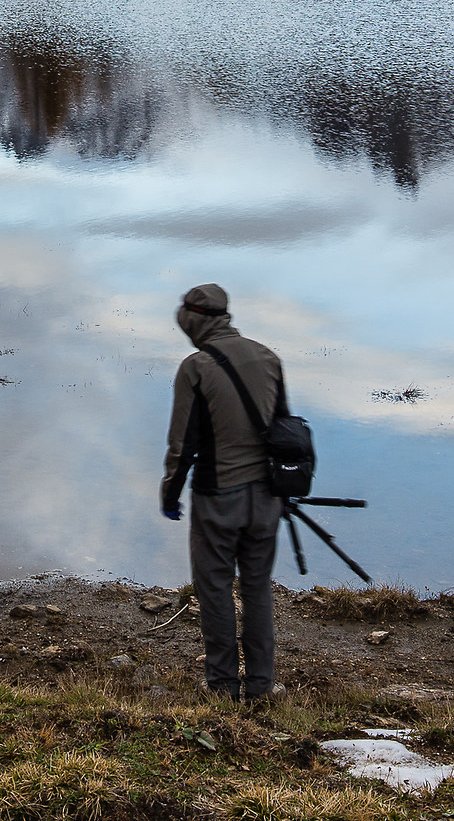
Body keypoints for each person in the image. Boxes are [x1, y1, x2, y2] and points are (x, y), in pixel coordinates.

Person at [160, 283, 286, 701]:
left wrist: (170, 494)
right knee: (257, 587)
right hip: (267, 497)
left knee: (214, 588)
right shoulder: (268, 357)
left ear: (193, 320)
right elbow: (284, 431)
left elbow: (183, 444)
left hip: (219, 496)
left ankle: (222, 686)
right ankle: (262, 687)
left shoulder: (196, 367)